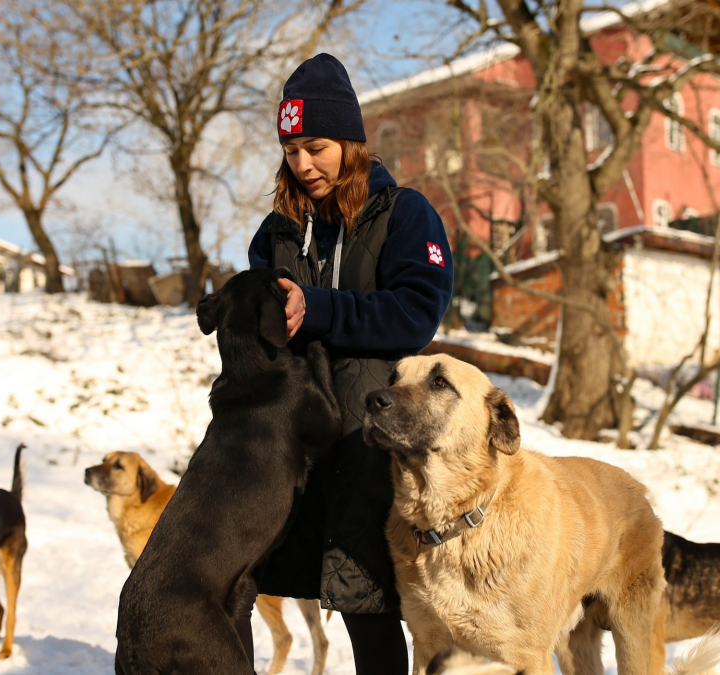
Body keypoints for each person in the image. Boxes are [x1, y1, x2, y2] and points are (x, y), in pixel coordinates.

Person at [241, 53, 454, 675]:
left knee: (368, 596)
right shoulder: (277, 230)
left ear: (350, 141)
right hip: (290, 435)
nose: (302, 164)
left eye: (316, 146)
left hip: (374, 438)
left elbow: (416, 313)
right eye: (290, 150)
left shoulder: (404, 214)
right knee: (245, 577)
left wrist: (319, 309)